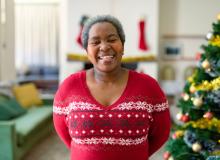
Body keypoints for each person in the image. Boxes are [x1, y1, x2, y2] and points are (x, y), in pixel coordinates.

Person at [53, 15, 171, 160]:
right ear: (87, 50)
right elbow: (64, 134)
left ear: (122, 45)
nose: (104, 46)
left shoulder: (149, 86)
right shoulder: (69, 87)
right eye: (95, 42)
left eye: (112, 39)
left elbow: (161, 133)